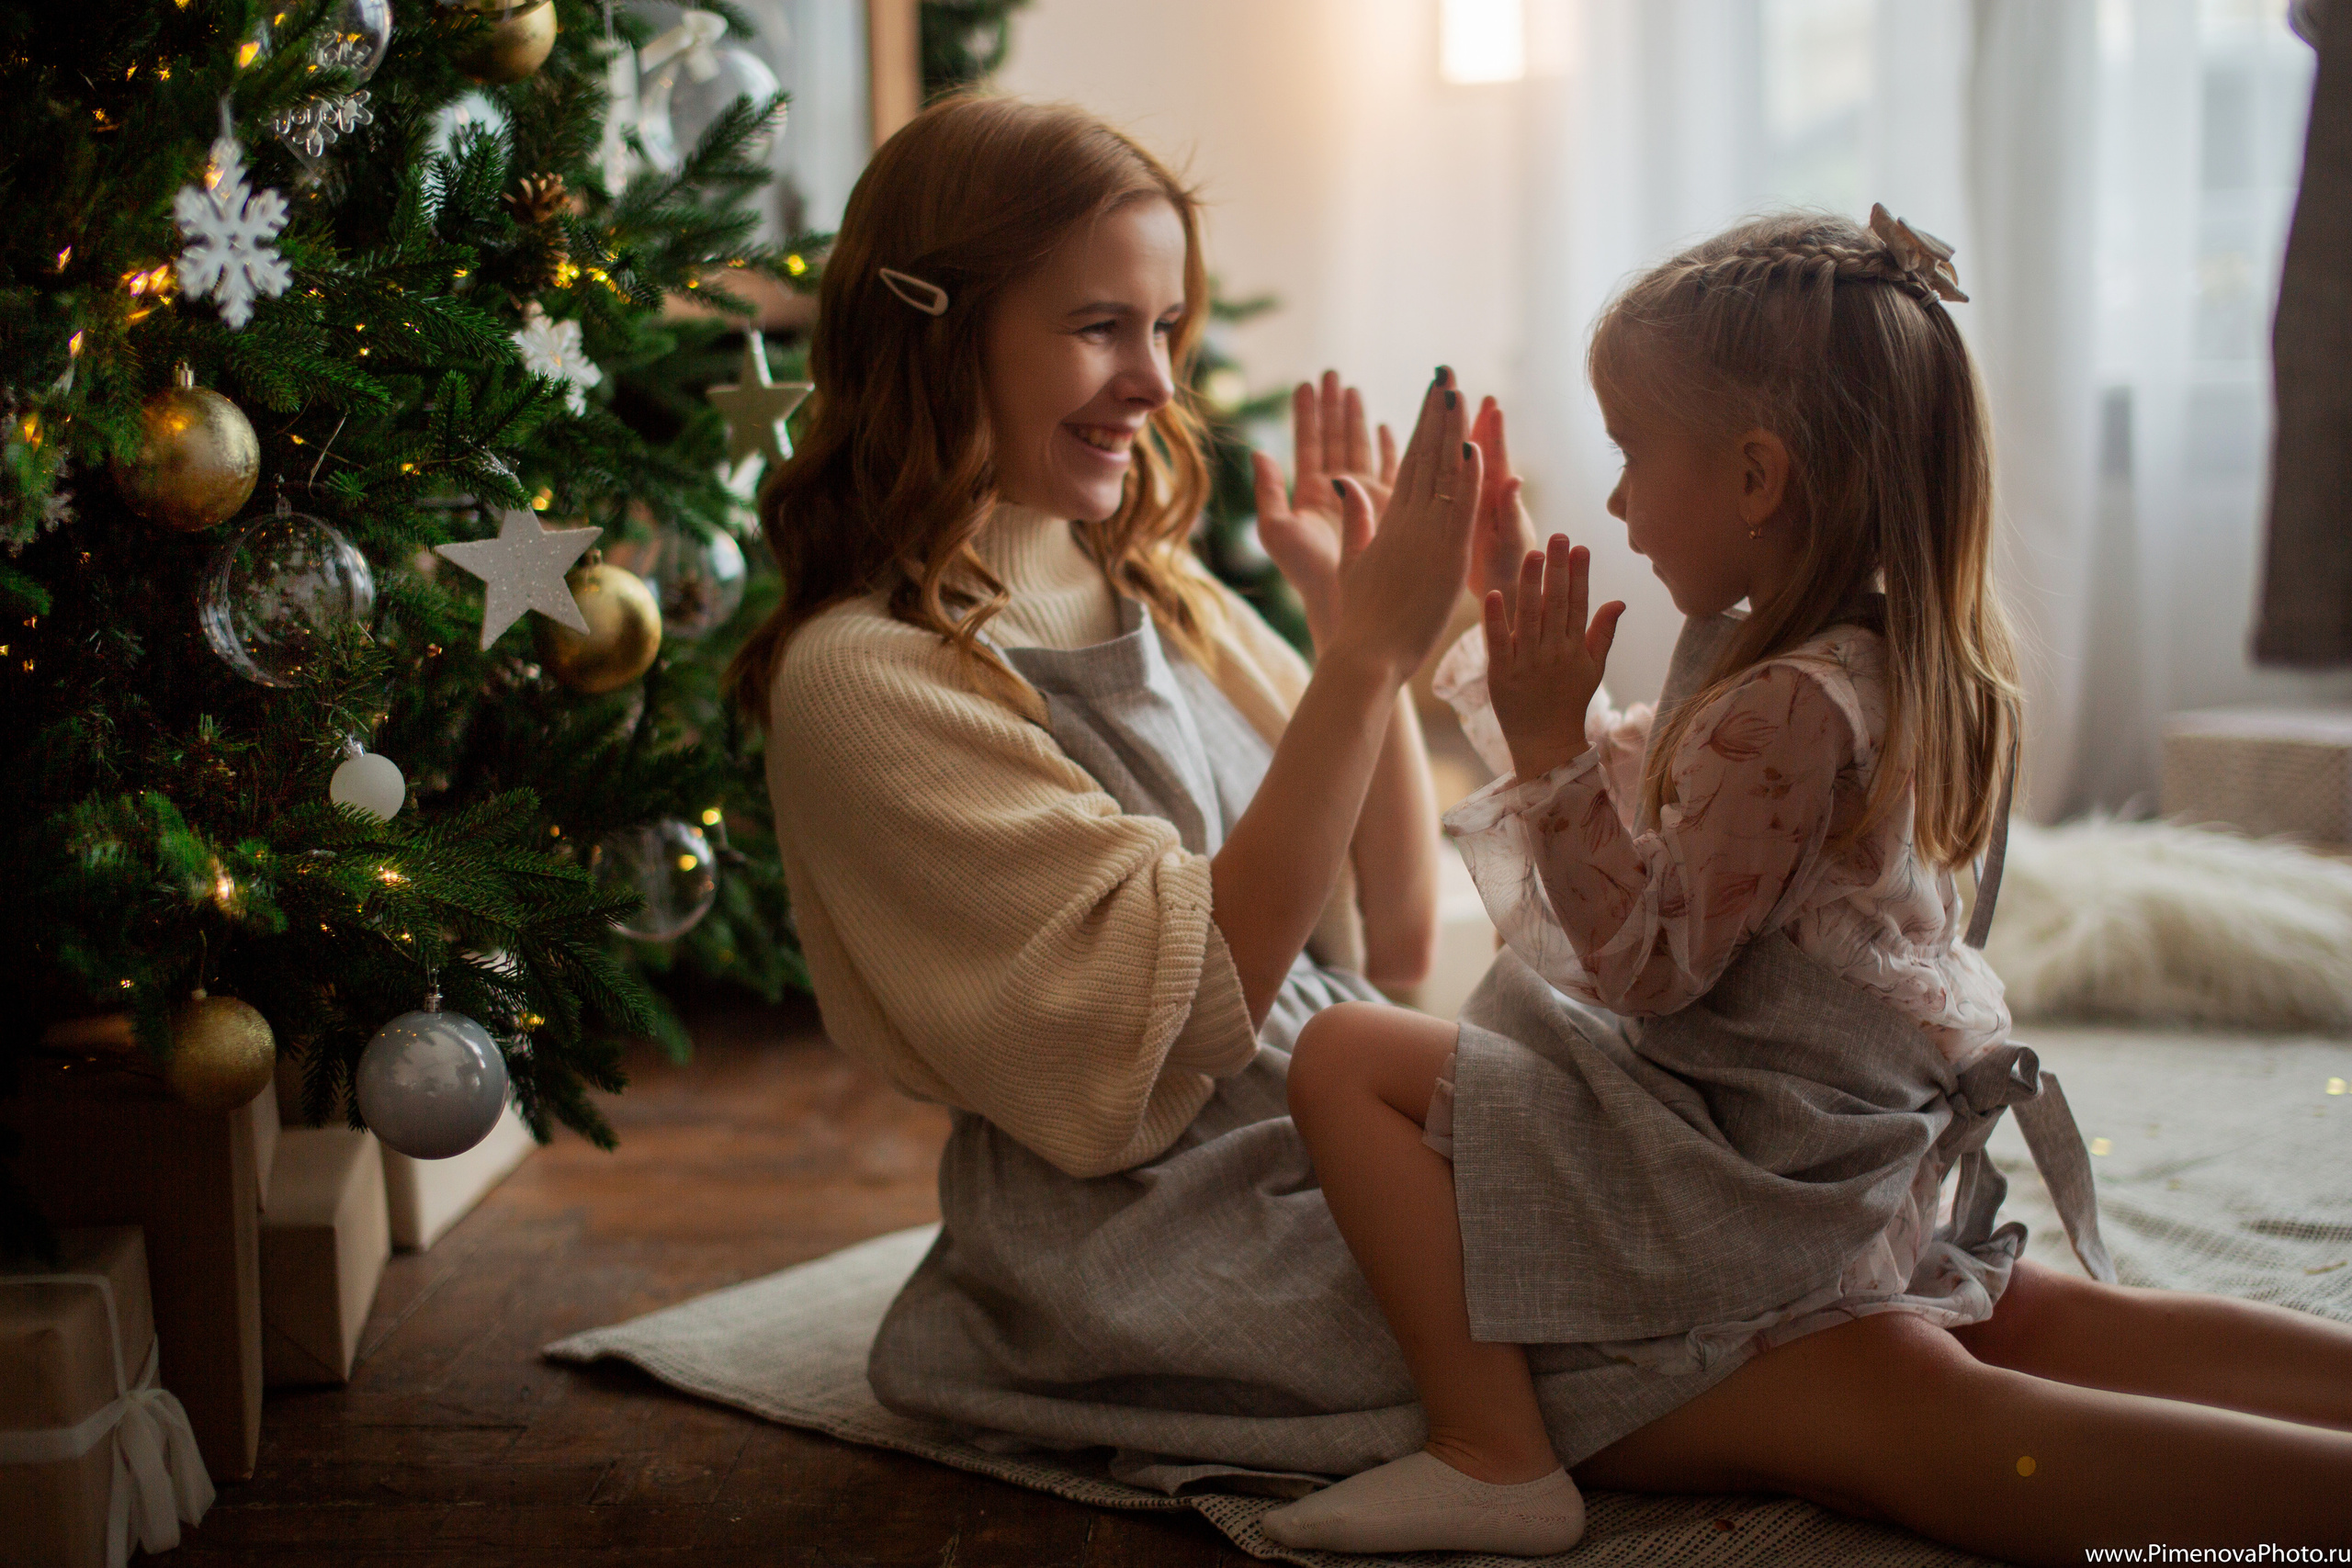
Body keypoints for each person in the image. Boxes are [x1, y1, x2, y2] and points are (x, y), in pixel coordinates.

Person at [1261, 209, 2352, 1561]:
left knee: (1344, 1051)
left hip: (1761, 1154)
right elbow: (1663, 802)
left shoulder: (1784, 703)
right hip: (1851, 1138)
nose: (1614, 502)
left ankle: (1490, 1453)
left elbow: (1644, 967)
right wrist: (1525, 664)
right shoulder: (1868, 662)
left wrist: (1545, 752)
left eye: (1629, 454)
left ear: (1759, 478)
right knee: (2050, 1329)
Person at [725, 93, 1489, 1487]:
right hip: (1155, 1226)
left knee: (1708, 1226)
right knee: (1646, 1306)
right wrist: (1367, 660)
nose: (1155, 382)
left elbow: (1395, 937)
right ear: (943, 333)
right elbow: (1195, 1002)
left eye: (1164, 330)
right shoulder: (863, 679)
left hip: (1341, 1121)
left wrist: (1352, 653)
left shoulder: (1144, 574)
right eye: (1099, 328)